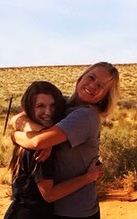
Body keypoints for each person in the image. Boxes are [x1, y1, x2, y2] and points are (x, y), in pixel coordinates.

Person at [12, 62, 120, 219]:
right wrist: (42, 132)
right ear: (81, 77)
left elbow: (37, 143)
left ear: (105, 96)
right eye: (91, 77)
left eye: (101, 86)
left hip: (75, 210)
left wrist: (15, 136)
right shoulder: (62, 103)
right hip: (54, 208)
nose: (93, 86)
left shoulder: (85, 116)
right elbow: (17, 119)